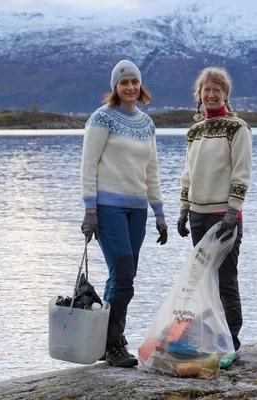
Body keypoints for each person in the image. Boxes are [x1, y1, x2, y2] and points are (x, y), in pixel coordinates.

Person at [80, 59, 168, 368]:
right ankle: (114, 342)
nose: (129, 87)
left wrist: (159, 212)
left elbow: (152, 170)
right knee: (124, 275)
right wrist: (90, 210)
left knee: (122, 276)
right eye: (123, 82)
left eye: (134, 82)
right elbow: (88, 165)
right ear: (115, 88)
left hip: (137, 210)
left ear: (140, 86)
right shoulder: (102, 119)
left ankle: (104, 341)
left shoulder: (146, 123)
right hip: (108, 208)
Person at [177, 66, 252, 368]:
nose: (210, 94)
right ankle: (211, 340)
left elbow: (242, 171)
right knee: (203, 282)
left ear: (225, 94)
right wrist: (183, 209)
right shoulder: (194, 132)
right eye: (206, 90)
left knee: (225, 281)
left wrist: (233, 210)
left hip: (224, 215)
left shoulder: (238, 128)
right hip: (198, 215)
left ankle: (231, 343)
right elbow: (188, 173)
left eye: (216, 90)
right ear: (199, 94)